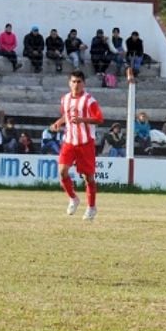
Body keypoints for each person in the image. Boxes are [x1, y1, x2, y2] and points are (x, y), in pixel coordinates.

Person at [52, 70, 104, 221]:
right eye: (73, 81)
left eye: (79, 82)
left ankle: (91, 207)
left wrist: (83, 120)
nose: (76, 85)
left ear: (84, 83)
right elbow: (67, 115)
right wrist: (59, 122)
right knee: (62, 172)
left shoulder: (89, 100)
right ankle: (73, 198)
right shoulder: (65, 99)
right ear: (69, 83)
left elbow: (99, 119)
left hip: (85, 142)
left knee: (88, 177)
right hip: (69, 140)